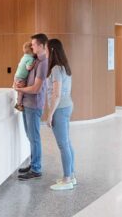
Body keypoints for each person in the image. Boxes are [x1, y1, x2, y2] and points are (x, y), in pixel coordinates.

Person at [14, 33, 49, 181]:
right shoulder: (35, 60)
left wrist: (19, 89)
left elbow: (36, 89)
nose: (32, 46)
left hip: (33, 105)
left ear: (41, 46)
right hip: (28, 103)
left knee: (34, 138)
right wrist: (21, 85)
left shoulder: (42, 64)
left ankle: (36, 169)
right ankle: (33, 163)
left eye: (34, 44)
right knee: (30, 136)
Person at [44, 38, 76, 191]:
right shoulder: (64, 67)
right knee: (67, 143)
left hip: (60, 108)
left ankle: (67, 179)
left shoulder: (56, 69)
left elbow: (56, 94)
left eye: (46, 48)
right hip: (67, 105)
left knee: (63, 145)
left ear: (51, 50)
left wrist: (50, 114)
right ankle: (71, 175)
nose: (44, 51)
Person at [13, 41, 36, 111]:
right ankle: (18, 104)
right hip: (21, 78)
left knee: (19, 90)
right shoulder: (31, 59)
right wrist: (34, 64)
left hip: (17, 76)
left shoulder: (23, 57)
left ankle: (19, 103)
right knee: (21, 92)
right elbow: (28, 68)